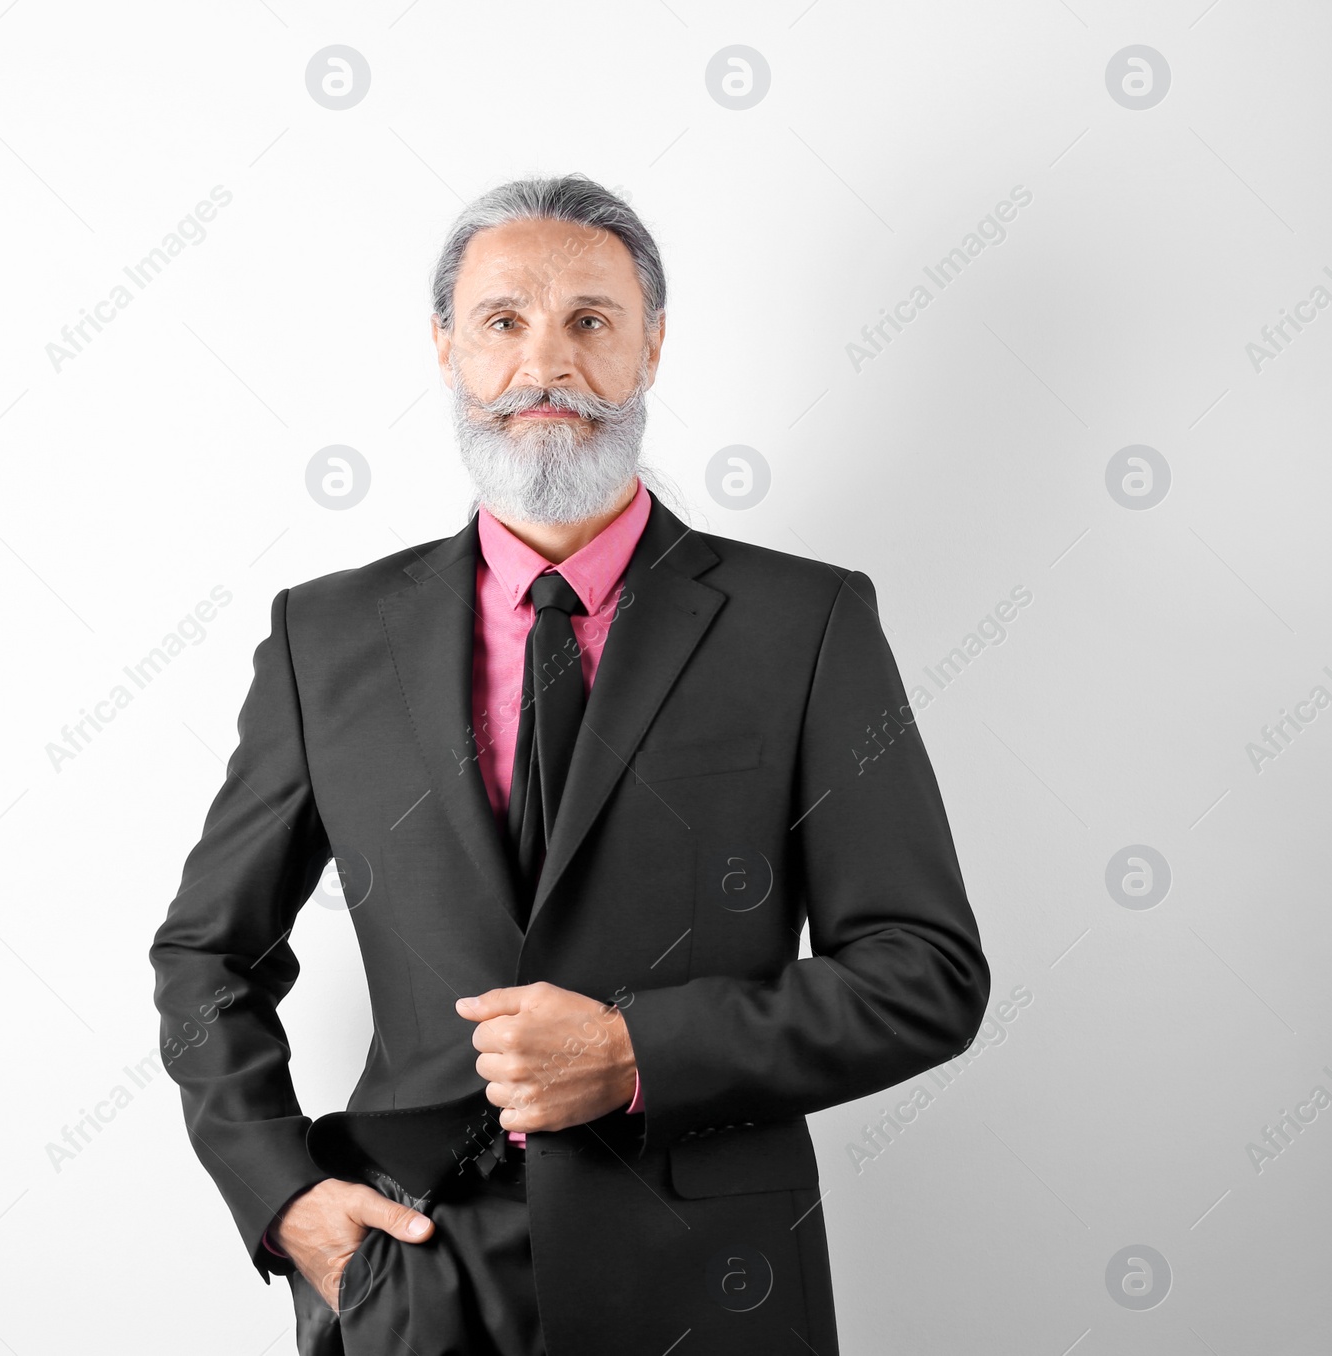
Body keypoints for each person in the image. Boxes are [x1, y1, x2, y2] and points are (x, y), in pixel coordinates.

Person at [149, 173, 990, 1355]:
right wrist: (281, 1198)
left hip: (710, 1290)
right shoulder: (323, 637)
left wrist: (636, 1051)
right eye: (503, 321)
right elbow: (206, 952)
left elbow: (925, 973)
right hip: (410, 1282)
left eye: (591, 321)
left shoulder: (803, 623)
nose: (545, 365)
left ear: (650, 348)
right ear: (445, 347)